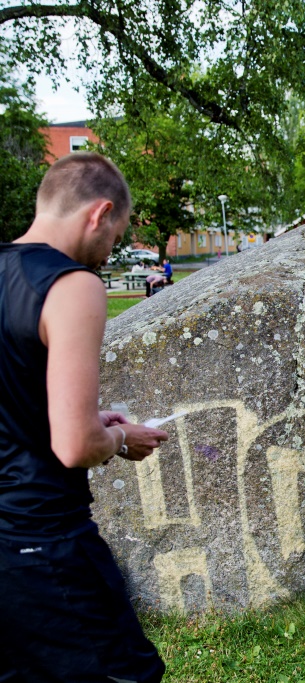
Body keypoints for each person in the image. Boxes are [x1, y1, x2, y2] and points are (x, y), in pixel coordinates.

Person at [0, 152, 170, 681]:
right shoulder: (71, 285)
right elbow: (74, 446)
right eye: (115, 238)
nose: (107, 253)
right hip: (42, 536)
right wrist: (118, 439)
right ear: (99, 214)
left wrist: (91, 415)